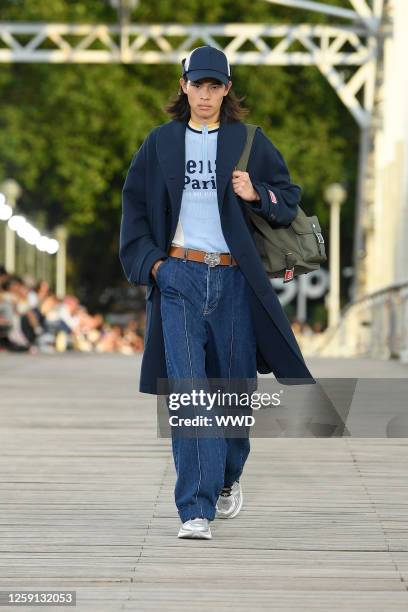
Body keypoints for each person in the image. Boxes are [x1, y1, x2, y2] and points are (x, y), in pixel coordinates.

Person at [119, 45, 314, 540]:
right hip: (179, 277)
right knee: (186, 394)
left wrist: (257, 194)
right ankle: (194, 509)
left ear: (226, 90)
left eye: (214, 86)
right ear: (183, 86)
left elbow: (288, 198)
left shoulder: (250, 141)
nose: (204, 95)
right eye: (196, 85)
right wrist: (156, 266)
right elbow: (135, 209)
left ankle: (225, 478)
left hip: (234, 281)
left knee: (233, 395)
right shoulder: (160, 143)